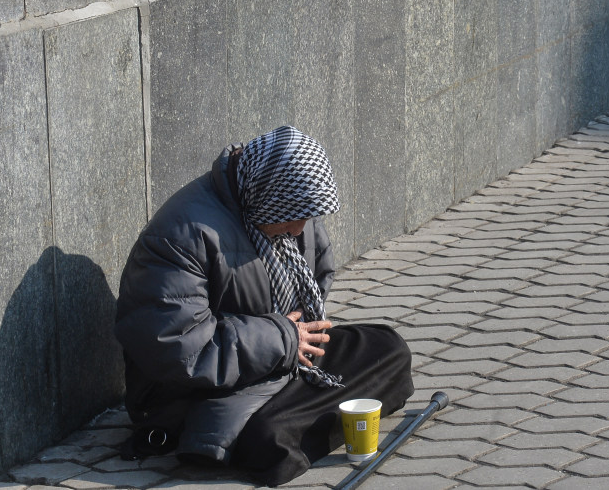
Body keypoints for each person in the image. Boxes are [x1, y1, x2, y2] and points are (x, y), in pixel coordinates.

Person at [114, 126, 414, 486]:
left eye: (308, 215)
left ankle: (302, 419)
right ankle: (283, 431)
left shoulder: (285, 211)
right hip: (197, 390)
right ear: (268, 195)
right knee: (268, 439)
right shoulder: (179, 236)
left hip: (277, 359)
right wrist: (282, 338)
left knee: (388, 348)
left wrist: (295, 338)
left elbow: (315, 283)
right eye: (292, 215)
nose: (301, 227)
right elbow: (181, 350)